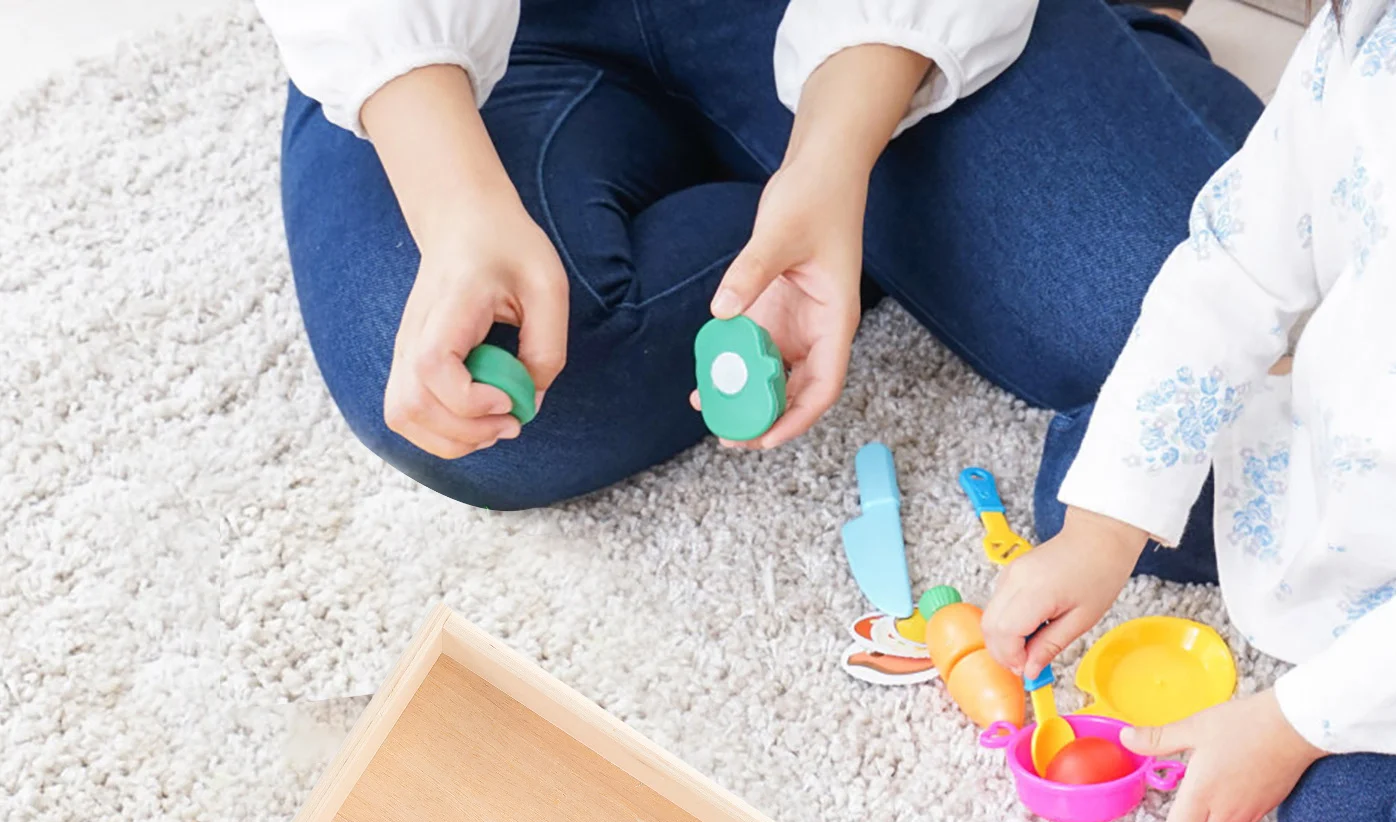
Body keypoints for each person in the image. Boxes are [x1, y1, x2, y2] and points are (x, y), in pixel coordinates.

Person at [982, 0, 1396, 822]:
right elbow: (1234, 269)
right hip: (1362, 462)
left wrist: (1290, 723)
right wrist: (1104, 529)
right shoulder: (1383, 27)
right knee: (1087, 475)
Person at [256, 0, 1261, 513]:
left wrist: (834, 154)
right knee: (484, 391)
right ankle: (880, 218)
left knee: (1208, 336)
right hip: (507, 35)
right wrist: (460, 204)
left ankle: (857, 186)